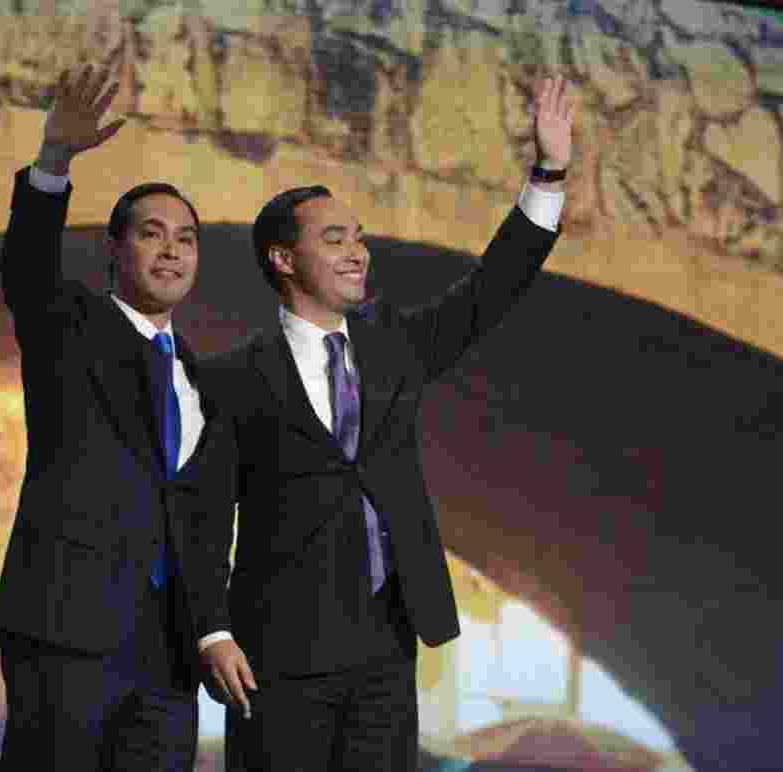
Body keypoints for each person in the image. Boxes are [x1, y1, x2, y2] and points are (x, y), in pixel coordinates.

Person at [198, 75, 577, 771]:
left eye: (360, 238)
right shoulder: (229, 378)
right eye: (334, 238)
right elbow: (198, 516)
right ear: (283, 260)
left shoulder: (394, 346)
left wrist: (548, 173)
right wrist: (211, 631)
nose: (357, 252)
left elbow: (493, 286)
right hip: (277, 653)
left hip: (386, 647)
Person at [0, 65, 240, 771]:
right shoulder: (68, 325)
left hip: (169, 660)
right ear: (117, 249)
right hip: (66, 638)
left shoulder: (202, 383)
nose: (170, 251)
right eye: (152, 235)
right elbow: (26, 268)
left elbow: (204, 521)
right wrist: (53, 162)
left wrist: (213, 630)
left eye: (185, 239)